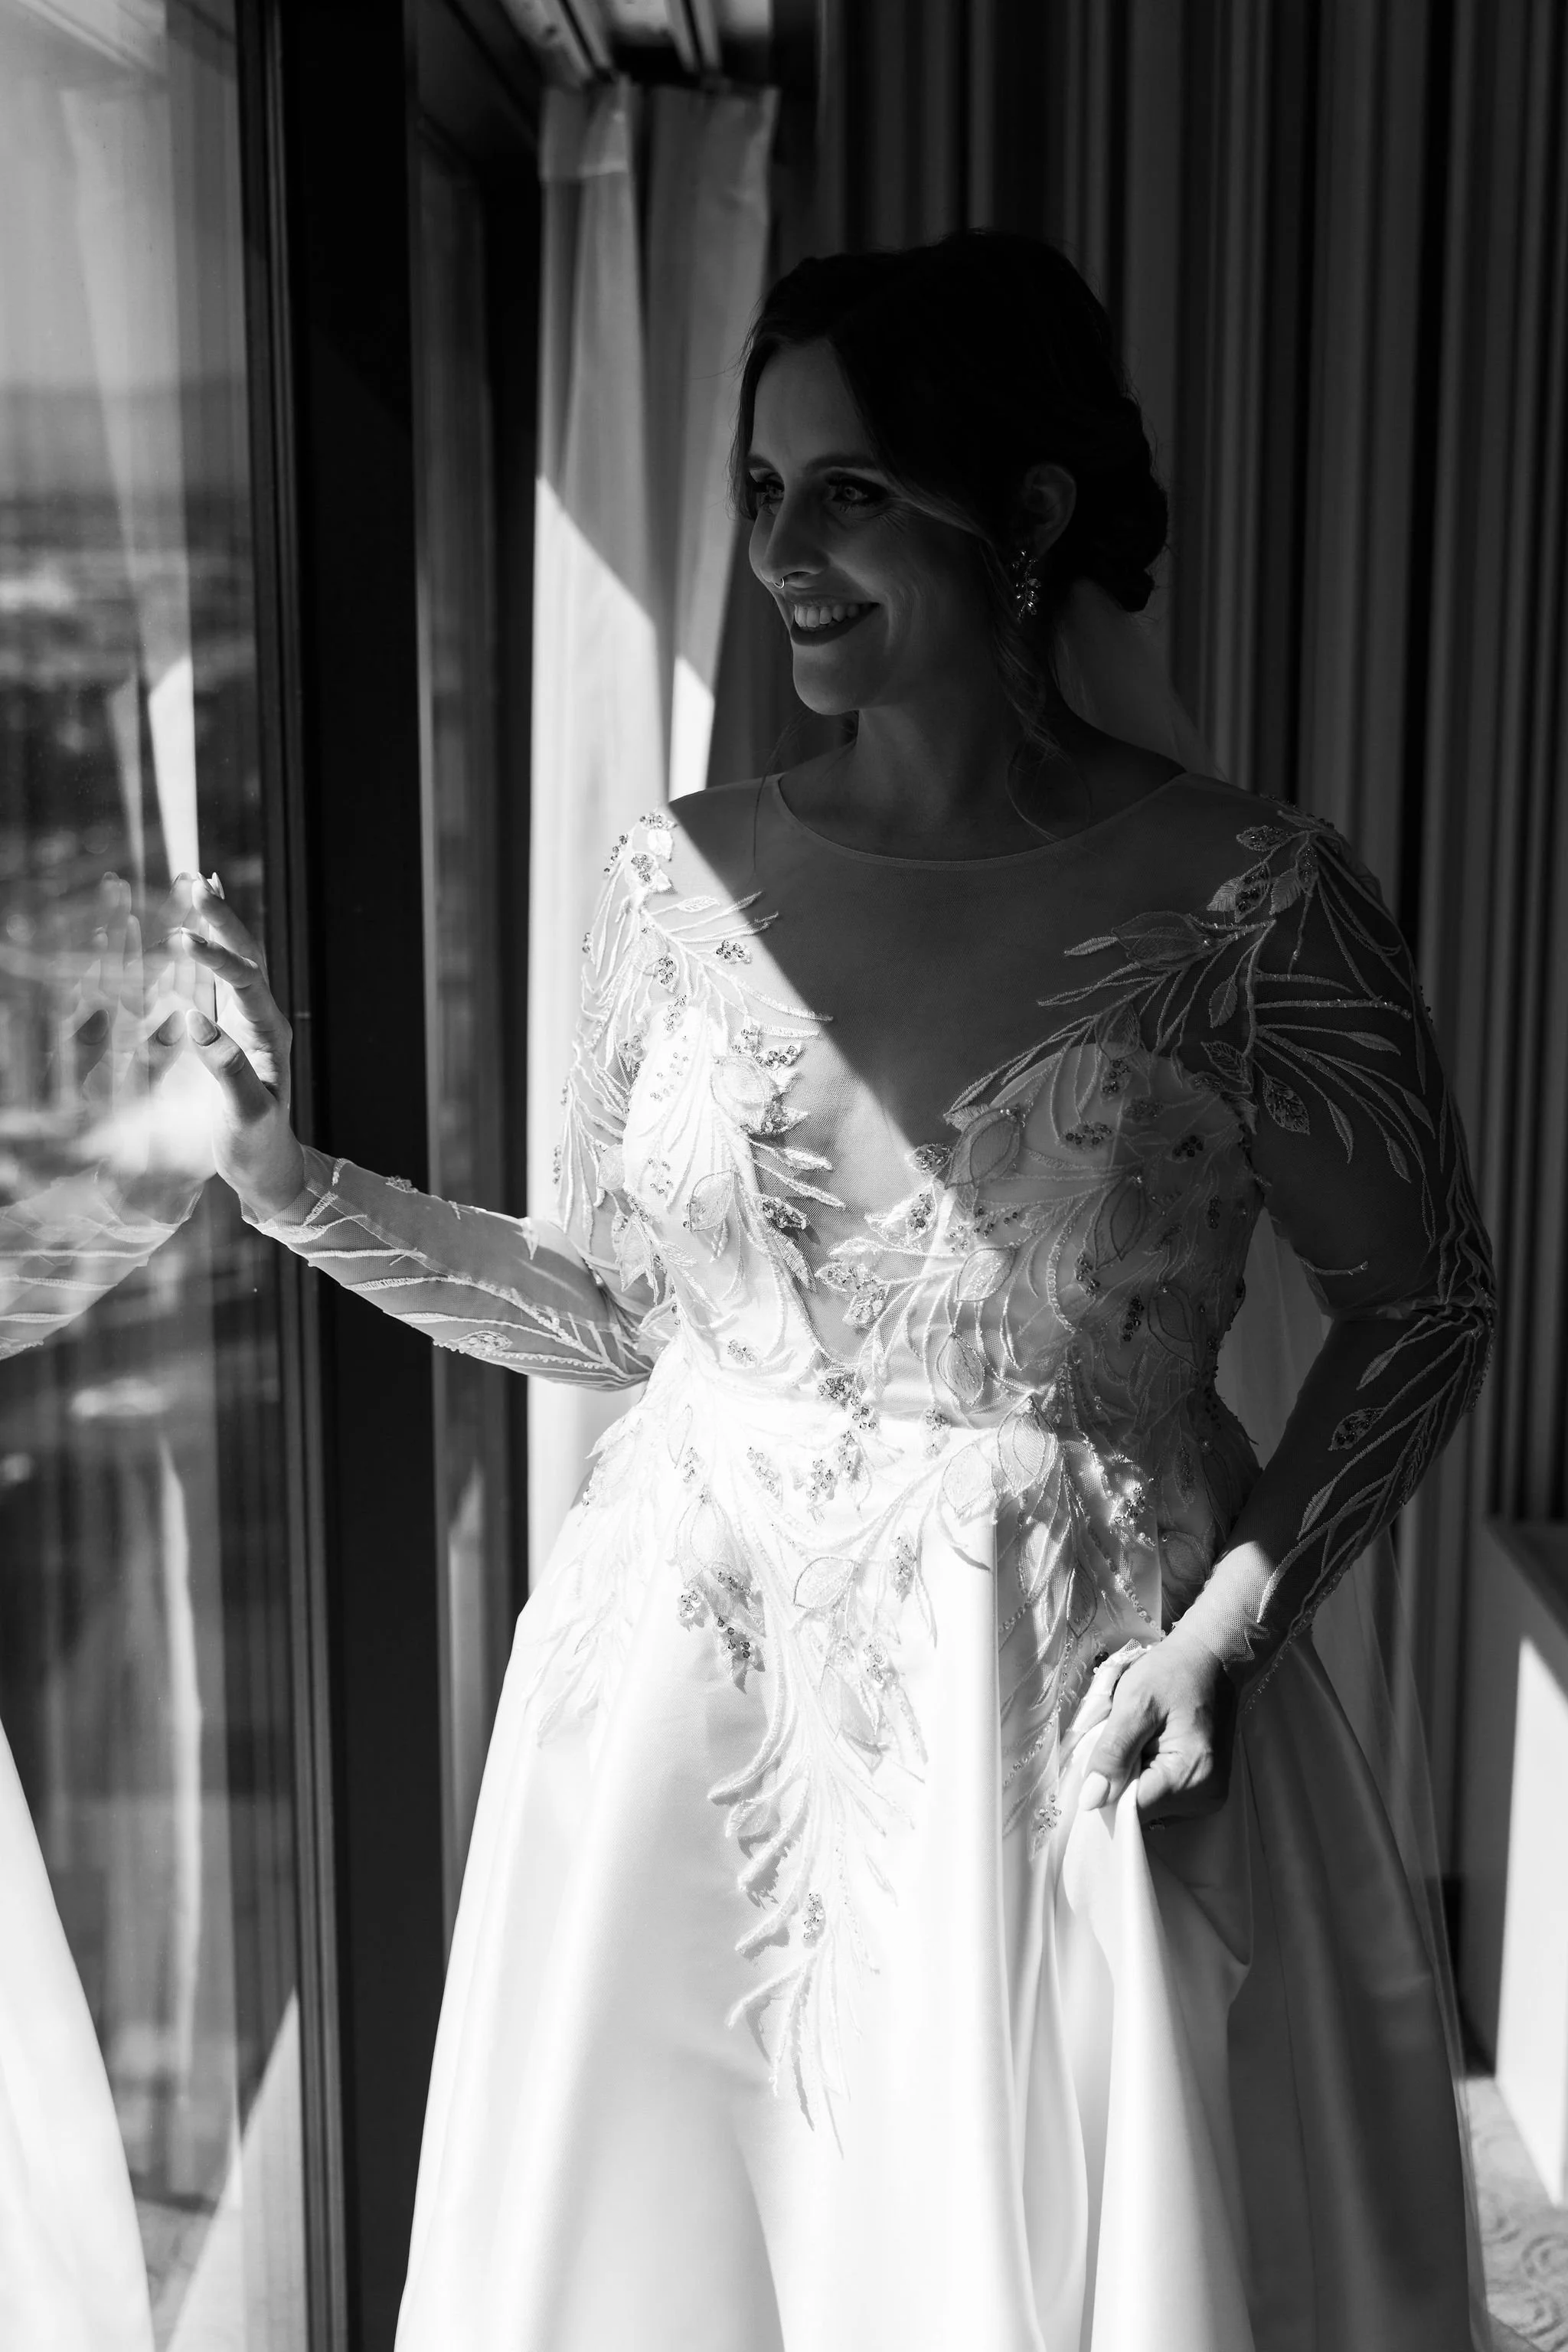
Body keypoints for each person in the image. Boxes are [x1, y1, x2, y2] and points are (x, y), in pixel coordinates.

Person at [181, 233, 1496, 2350]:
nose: (782, 553)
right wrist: (282, 1183)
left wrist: (1226, 1638)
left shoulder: (1253, 904)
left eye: (850, 492)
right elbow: (621, 1319)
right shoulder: (673, 876)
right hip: (681, 1721)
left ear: (1028, 511)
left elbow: (1425, 1303)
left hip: (1054, 1720)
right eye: (761, 489)